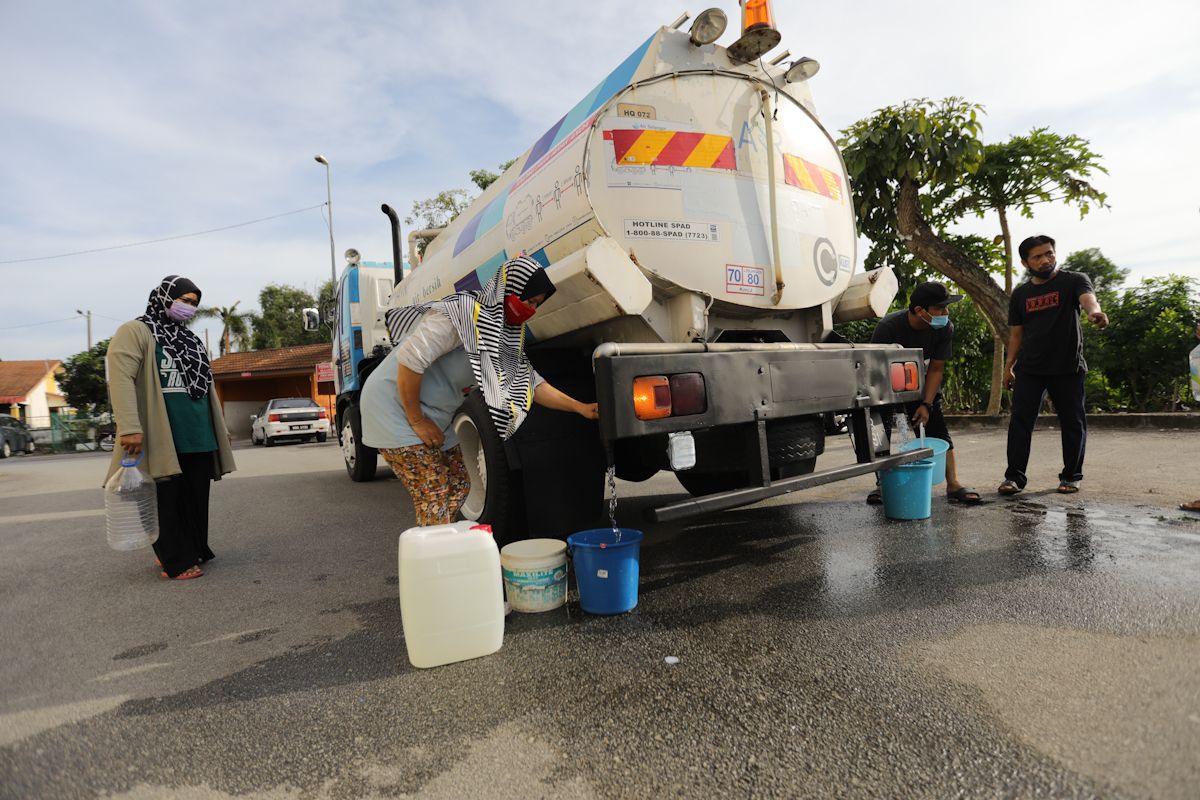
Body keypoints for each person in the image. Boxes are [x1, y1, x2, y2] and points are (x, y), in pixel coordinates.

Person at [362, 255, 598, 526]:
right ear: (510, 289)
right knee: (434, 494)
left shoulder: (504, 336)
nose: (531, 310)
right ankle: (435, 550)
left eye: (537, 304)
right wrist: (416, 420)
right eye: (529, 300)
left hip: (434, 414)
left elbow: (531, 384)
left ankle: (445, 541)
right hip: (392, 407)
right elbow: (410, 361)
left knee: (459, 484)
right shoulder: (461, 313)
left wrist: (581, 408)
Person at [105, 276, 236, 580]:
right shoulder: (136, 331)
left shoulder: (190, 339)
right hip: (161, 431)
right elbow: (121, 379)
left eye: (193, 303)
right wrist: (129, 426)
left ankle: (193, 547)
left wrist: (219, 428)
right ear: (164, 297)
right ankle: (174, 559)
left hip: (198, 431)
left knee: (195, 496)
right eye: (183, 300)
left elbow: (206, 387)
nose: (188, 307)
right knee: (164, 497)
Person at [998, 235, 1107, 495]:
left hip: (1067, 367)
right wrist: (1008, 366)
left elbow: (1088, 299)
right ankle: (1014, 478)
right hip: (1030, 368)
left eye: (1049, 253)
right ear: (1026, 263)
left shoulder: (1074, 280)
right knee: (1020, 423)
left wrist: (1094, 312)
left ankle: (1071, 476)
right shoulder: (1021, 294)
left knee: (1072, 422)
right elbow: (1016, 335)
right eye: (1037, 257)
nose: (1045, 260)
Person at [869, 281, 981, 505]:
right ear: (920, 310)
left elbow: (936, 368)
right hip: (885, 383)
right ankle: (883, 484)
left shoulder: (944, 328)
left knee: (937, 427)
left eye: (947, 306)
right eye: (940, 308)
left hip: (919, 380)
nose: (946, 312)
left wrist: (926, 404)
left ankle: (953, 483)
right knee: (880, 433)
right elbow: (876, 370)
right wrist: (887, 402)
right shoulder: (888, 328)